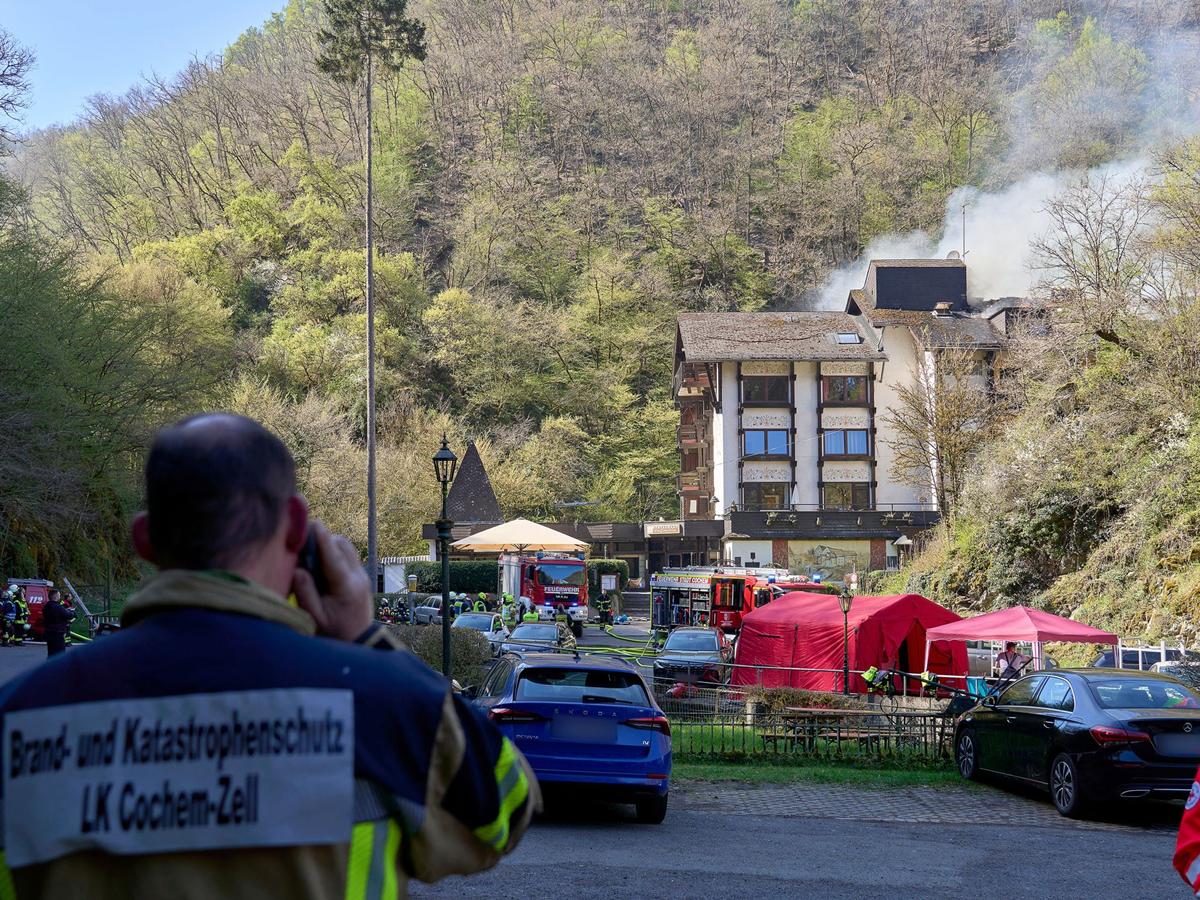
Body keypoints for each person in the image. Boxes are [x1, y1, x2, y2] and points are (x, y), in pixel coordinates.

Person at [0, 413, 538, 897]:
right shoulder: (382, 702)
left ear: (144, 540)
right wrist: (367, 641)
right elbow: (504, 811)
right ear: (298, 529)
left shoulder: (20, 715)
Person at [41, 588, 75, 657]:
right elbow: (68, 615)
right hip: (58, 633)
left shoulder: (46, 607)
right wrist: (72, 611)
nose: (60, 596)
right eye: (59, 595)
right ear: (56, 596)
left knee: (51, 653)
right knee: (60, 653)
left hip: (49, 632)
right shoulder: (58, 607)